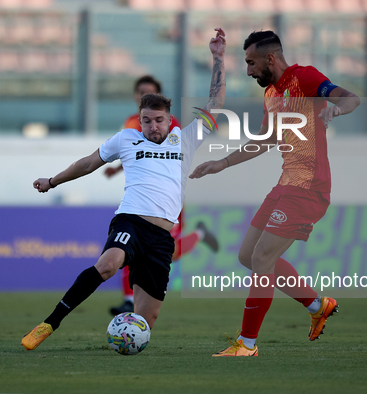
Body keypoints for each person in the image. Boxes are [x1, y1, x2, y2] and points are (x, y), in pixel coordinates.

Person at [21, 27, 226, 351]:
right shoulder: (127, 139)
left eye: (158, 120)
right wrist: (52, 181)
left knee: (146, 321)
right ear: (140, 119)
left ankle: (125, 348)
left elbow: (215, 103)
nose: (152, 126)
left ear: (169, 118)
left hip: (162, 237)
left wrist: (218, 59)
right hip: (130, 220)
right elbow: (88, 163)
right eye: (146, 120)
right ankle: (50, 323)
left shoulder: (186, 138)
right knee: (108, 264)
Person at [189, 30, 360, 356]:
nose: (249, 70)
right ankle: (317, 305)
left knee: (263, 258)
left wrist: (336, 109)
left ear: (270, 58)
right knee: (247, 256)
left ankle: (247, 344)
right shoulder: (271, 93)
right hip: (285, 185)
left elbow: (351, 98)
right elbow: (266, 139)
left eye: (251, 63)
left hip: (309, 187)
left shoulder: (305, 78)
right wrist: (222, 162)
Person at [106, 75, 219, 316]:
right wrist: (116, 167)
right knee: (128, 246)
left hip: (168, 200)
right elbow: (135, 152)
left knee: (171, 253)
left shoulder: (170, 123)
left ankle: (199, 233)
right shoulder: (130, 123)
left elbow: (163, 154)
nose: (142, 95)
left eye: (148, 91)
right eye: (140, 92)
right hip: (139, 201)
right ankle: (129, 300)